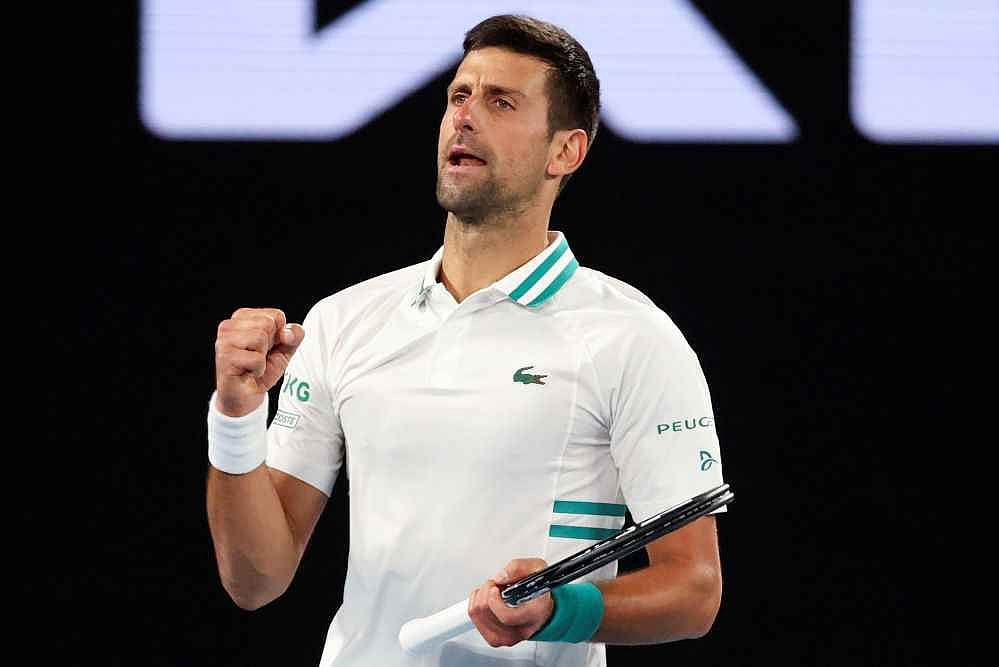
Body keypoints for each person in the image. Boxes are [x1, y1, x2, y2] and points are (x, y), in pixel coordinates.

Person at [206, 14, 727, 667]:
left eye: (500, 102)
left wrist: (561, 610)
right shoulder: (341, 321)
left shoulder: (632, 337)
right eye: (459, 95)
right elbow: (254, 580)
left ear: (564, 152)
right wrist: (236, 416)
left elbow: (693, 590)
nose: (465, 117)